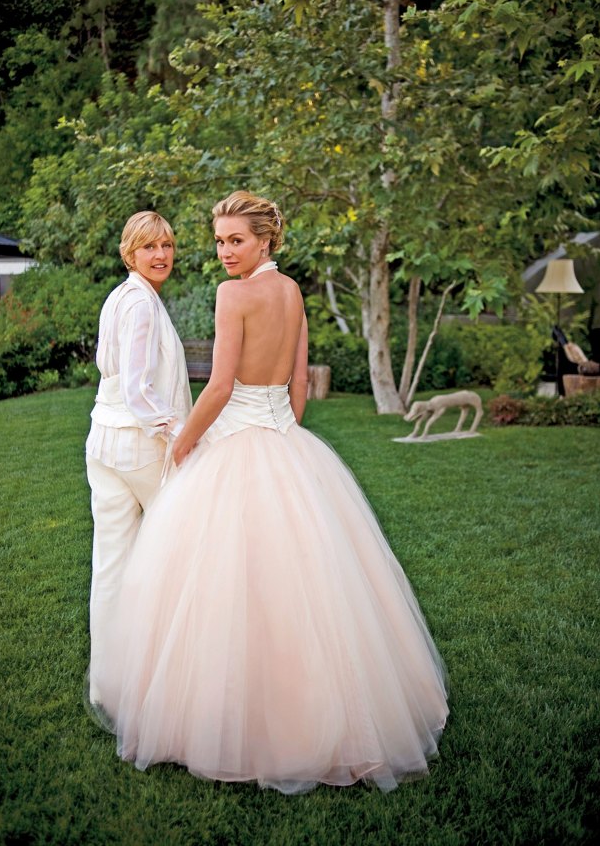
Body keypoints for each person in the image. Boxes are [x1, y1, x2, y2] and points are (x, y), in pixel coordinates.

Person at [93, 192, 448, 793]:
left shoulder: (234, 296)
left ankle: (233, 719)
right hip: (288, 442)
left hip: (236, 440)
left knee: (220, 584)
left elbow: (222, 385)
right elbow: (299, 383)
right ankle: (327, 713)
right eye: (219, 241)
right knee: (310, 582)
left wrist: (184, 444)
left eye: (236, 240)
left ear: (265, 240)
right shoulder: (291, 293)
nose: (224, 253)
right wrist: (285, 427)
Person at [85, 210, 192, 705]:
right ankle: (173, 671)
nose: (161, 255)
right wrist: (178, 430)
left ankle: (110, 683)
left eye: (167, 246)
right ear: (130, 251)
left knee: (111, 561)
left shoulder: (121, 297)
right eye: (149, 247)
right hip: (137, 444)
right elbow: (136, 387)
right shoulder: (141, 304)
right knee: (182, 547)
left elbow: (109, 373)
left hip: (102, 441)